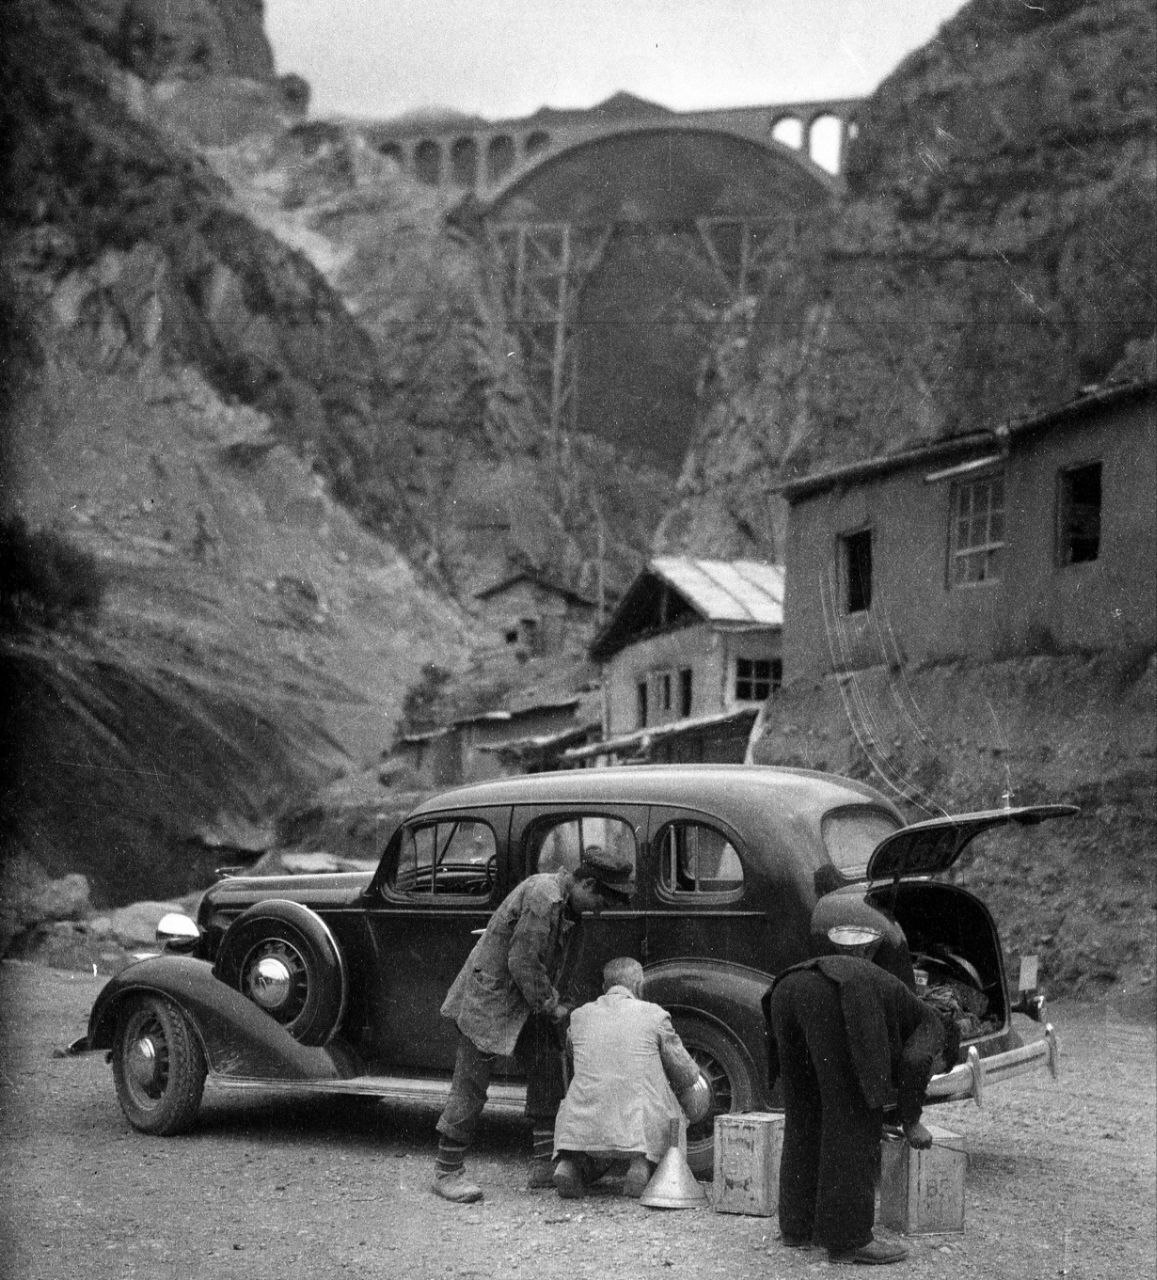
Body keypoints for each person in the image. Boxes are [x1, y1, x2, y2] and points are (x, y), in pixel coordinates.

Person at [431, 846, 635, 1204]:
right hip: (489, 1001)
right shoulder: (544, 895)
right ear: (586, 883)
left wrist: (558, 1007)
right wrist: (552, 1005)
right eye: (601, 899)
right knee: (471, 1085)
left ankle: (544, 1163)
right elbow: (522, 960)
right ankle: (448, 1172)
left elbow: (556, 965)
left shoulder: (571, 910)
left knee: (546, 1067)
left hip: (526, 1002)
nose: (601, 909)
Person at [762, 953, 956, 1266]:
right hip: (831, 993)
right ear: (946, 1048)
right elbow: (916, 1060)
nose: (932, 1073)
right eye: (941, 1065)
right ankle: (848, 1239)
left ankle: (798, 1226)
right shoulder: (934, 1024)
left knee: (806, 1116)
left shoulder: (899, 1006)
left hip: (786, 989)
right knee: (854, 1119)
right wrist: (911, 1121)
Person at [552, 957, 708, 1199]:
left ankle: (569, 1164)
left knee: (588, 1090)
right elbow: (687, 1073)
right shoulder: (655, 1015)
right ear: (639, 986)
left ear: (605, 988)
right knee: (672, 1103)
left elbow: (575, 1058)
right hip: (637, 1121)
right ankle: (643, 1166)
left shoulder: (579, 1016)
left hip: (582, 1121)